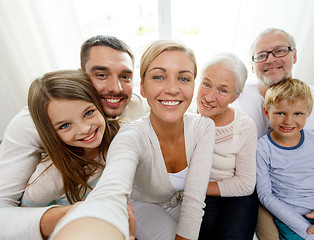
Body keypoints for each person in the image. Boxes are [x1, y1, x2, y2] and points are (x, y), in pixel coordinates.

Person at [50, 39, 215, 240]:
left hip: (181, 204)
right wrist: (94, 223)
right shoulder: (130, 136)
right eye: (159, 76)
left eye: (183, 78)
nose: (173, 89)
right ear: (143, 88)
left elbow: (195, 198)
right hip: (145, 207)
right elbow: (110, 191)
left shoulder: (204, 127)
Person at [0, 35, 148, 240]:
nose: (116, 88)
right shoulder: (30, 125)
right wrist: (66, 216)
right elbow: (3, 209)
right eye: (102, 74)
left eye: (125, 76)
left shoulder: (135, 107)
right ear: (82, 77)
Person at [231, 28, 314, 240]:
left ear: (295, 55)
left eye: (280, 51)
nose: (271, 59)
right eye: (261, 55)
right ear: (252, 65)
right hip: (270, 197)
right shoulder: (237, 99)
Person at [257, 78, 314, 239]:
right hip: (292, 220)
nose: (288, 121)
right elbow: (265, 195)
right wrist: (308, 232)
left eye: (298, 114)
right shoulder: (262, 148)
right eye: (280, 113)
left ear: (308, 113)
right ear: (267, 112)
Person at [22, 70, 120, 208]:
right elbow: (27, 216)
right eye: (65, 125)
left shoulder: (120, 135)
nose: (84, 129)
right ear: (50, 133)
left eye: (88, 113)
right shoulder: (50, 177)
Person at [195, 52, 258, 240]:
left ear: (235, 96)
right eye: (206, 84)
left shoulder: (245, 127)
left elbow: (246, 185)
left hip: (236, 195)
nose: (209, 97)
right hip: (199, 193)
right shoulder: (182, 114)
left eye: (223, 90)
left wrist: (195, 187)